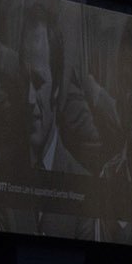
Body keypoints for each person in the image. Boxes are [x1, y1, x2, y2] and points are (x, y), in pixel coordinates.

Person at [21, 15, 85, 175]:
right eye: (24, 79)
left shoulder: (79, 178)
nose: (29, 98)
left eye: (38, 82)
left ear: (56, 87)